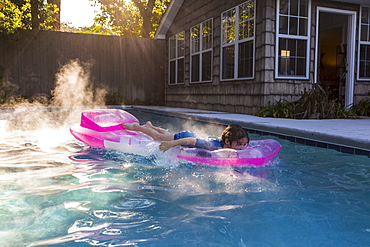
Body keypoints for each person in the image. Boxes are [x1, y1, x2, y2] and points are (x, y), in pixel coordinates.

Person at [122, 122, 249, 152]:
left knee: (167, 135)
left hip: (191, 135)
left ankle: (151, 125)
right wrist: (170, 145)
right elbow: (190, 141)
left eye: (244, 144)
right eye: (239, 144)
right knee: (157, 137)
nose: (242, 148)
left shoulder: (226, 144)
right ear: (227, 141)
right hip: (187, 138)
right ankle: (137, 127)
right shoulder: (213, 146)